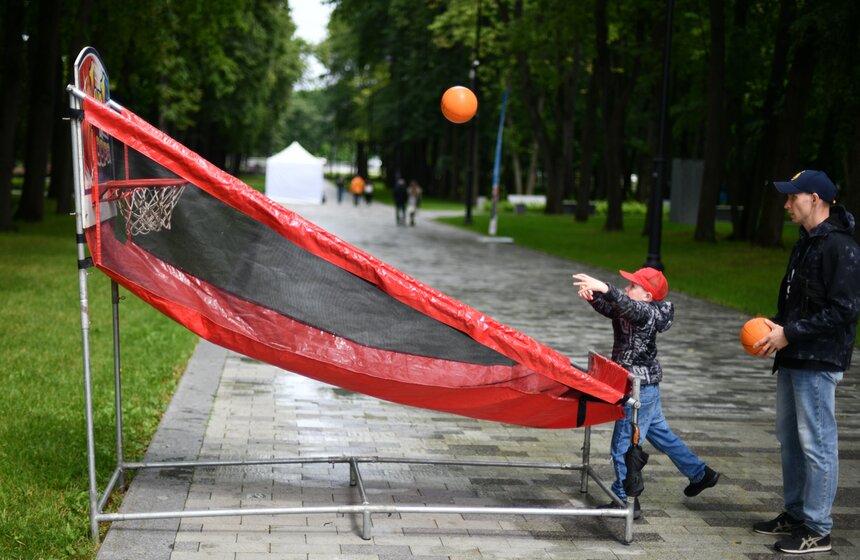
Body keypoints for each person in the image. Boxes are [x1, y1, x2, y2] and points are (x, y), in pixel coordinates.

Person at [750, 170, 860, 555]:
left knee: (817, 444)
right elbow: (796, 304)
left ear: (814, 198)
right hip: (793, 354)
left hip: (818, 359)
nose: (785, 205)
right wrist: (775, 328)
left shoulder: (840, 247)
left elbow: (844, 311)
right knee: (790, 440)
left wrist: (790, 333)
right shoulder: (806, 244)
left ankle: (818, 527)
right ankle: (795, 514)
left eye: (791, 197)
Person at [572, 267, 720, 520]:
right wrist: (595, 298)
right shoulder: (633, 308)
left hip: (638, 387)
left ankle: (626, 500)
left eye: (633, 286)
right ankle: (701, 474)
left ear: (648, 296)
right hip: (643, 385)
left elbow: (627, 307)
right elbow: (615, 310)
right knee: (661, 434)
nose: (627, 287)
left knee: (623, 445)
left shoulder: (646, 313)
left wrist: (606, 288)